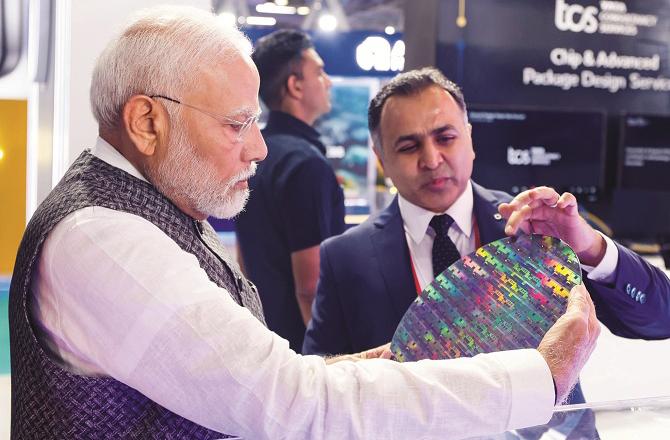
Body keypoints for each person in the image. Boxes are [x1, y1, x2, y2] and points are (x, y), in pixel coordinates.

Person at [9, 7, 598, 439]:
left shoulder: (146, 214)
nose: (260, 148)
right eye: (238, 123)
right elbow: (290, 404)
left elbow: (260, 377)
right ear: (146, 121)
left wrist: (380, 362)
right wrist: (539, 377)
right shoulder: (106, 240)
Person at [303, 67, 670, 401]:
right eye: (409, 146)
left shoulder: (534, 231)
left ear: (470, 138)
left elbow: (660, 319)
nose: (431, 160)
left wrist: (588, 247)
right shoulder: (345, 257)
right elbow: (318, 385)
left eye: (445, 137)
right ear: (381, 158)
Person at [234, 29, 344, 352]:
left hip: (266, 334)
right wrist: (326, 359)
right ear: (295, 86)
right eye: (320, 72)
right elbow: (311, 287)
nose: (329, 82)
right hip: (300, 350)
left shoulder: (259, 153)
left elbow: (244, 257)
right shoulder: (305, 164)